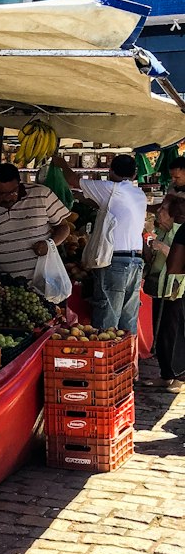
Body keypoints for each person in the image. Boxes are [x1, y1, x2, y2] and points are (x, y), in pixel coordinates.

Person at [53, 151, 147, 333]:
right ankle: (126, 357)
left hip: (115, 262)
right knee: (128, 319)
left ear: (110, 172)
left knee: (107, 317)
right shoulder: (137, 193)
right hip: (135, 262)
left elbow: (73, 179)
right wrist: (78, 197)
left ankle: (105, 359)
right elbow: (106, 205)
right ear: (134, 174)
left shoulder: (113, 188)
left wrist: (61, 163)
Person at [0, 162, 71, 283]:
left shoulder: (42, 195)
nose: (6, 198)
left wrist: (50, 244)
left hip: (47, 281)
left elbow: (64, 227)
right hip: (7, 285)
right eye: (0, 193)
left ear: (19, 184)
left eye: (12, 192)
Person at [143, 194, 185, 390]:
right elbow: (152, 258)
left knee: (174, 333)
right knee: (161, 333)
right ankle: (166, 374)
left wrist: (162, 247)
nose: (158, 212)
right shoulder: (161, 231)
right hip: (158, 288)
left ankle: (179, 376)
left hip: (175, 291)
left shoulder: (179, 232)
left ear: (173, 214)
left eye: (162, 210)